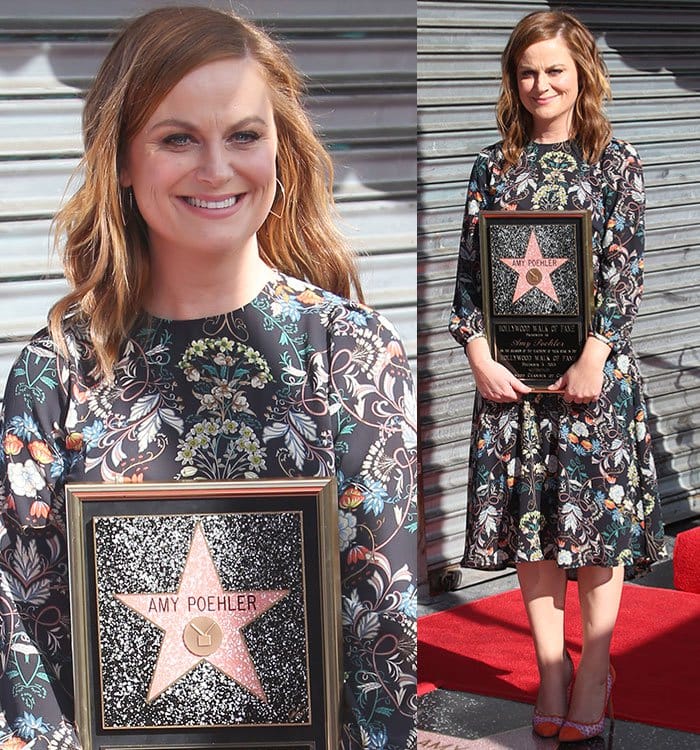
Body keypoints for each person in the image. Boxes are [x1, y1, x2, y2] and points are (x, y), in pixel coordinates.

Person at [0, 6, 417, 749]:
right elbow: (26, 644)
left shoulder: (352, 353)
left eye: (244, 136)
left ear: (280, 151)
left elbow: (379, 641)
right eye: (177, 138)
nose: (217, 169)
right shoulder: (55, 371)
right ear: (122, 162)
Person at [448, 10, 667, 743]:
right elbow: (469, 287)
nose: (541, 84)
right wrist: (479, 357)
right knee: (533, 536)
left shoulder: (616, 161)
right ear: (514, 80)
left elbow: (624, 274)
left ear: (582, 78)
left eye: (555, 71)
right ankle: (551, 670)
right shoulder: (493, 166)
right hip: (513, 391)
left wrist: (594, 358)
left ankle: (596, 669)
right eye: (528, 71)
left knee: (596, 537)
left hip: (591, 383)